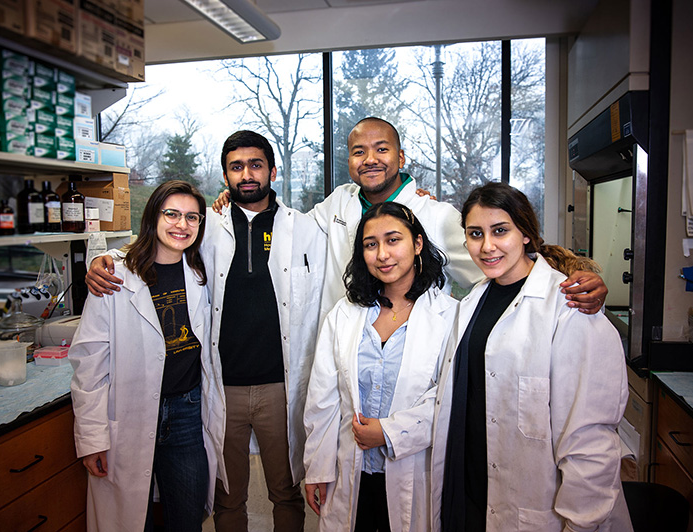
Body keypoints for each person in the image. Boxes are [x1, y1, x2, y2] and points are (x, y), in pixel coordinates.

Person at [84, 131, 327, 532]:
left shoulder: (304, 228)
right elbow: (155, 247)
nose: (246, 174)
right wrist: (103, 259)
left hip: (279, 388)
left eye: (255, 165)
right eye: (236, 167)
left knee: (286, 491)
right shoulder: (206, 226)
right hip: (219, 387)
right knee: (227, 498)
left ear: (272, 169)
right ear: (226, 176)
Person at [213, 117, 608, 319]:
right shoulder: (337, 204)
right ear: (348, 162)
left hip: (413, 352)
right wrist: (234, 197)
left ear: (401, 158)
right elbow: (285, 223)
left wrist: (567, 280)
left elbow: (499, 265)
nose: (370, 159)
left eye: (381, 149)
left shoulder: (434, 215)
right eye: (358, 152)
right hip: (346, 343)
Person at [430, 182, 632, 532]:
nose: (487, 246)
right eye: (475, 233)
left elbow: (589, 440)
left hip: (539, 508)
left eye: (500, 231)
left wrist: (583, 523)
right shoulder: (471, 304)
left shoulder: (569, 308)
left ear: (525, 233)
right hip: (473, 492)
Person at [69, 180, 225, 532]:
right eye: (171, 214)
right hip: (129, 411)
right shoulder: (114, 275)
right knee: (131, 520)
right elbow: (89, 362)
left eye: (192, 217)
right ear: (153, 216)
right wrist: (92, 438)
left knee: (186, 519)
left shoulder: (201, 273)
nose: (181, 225)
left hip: (186, 413)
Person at [304, 202, 456, 532]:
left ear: (417, 244)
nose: (382, 254)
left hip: (413, 471)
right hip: (352, 472)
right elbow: (323, 401)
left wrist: (387, 432)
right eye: (371, 244)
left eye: (393, 240)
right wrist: (317, 469)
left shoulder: (450, 317)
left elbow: (448, 398)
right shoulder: (345, 315)